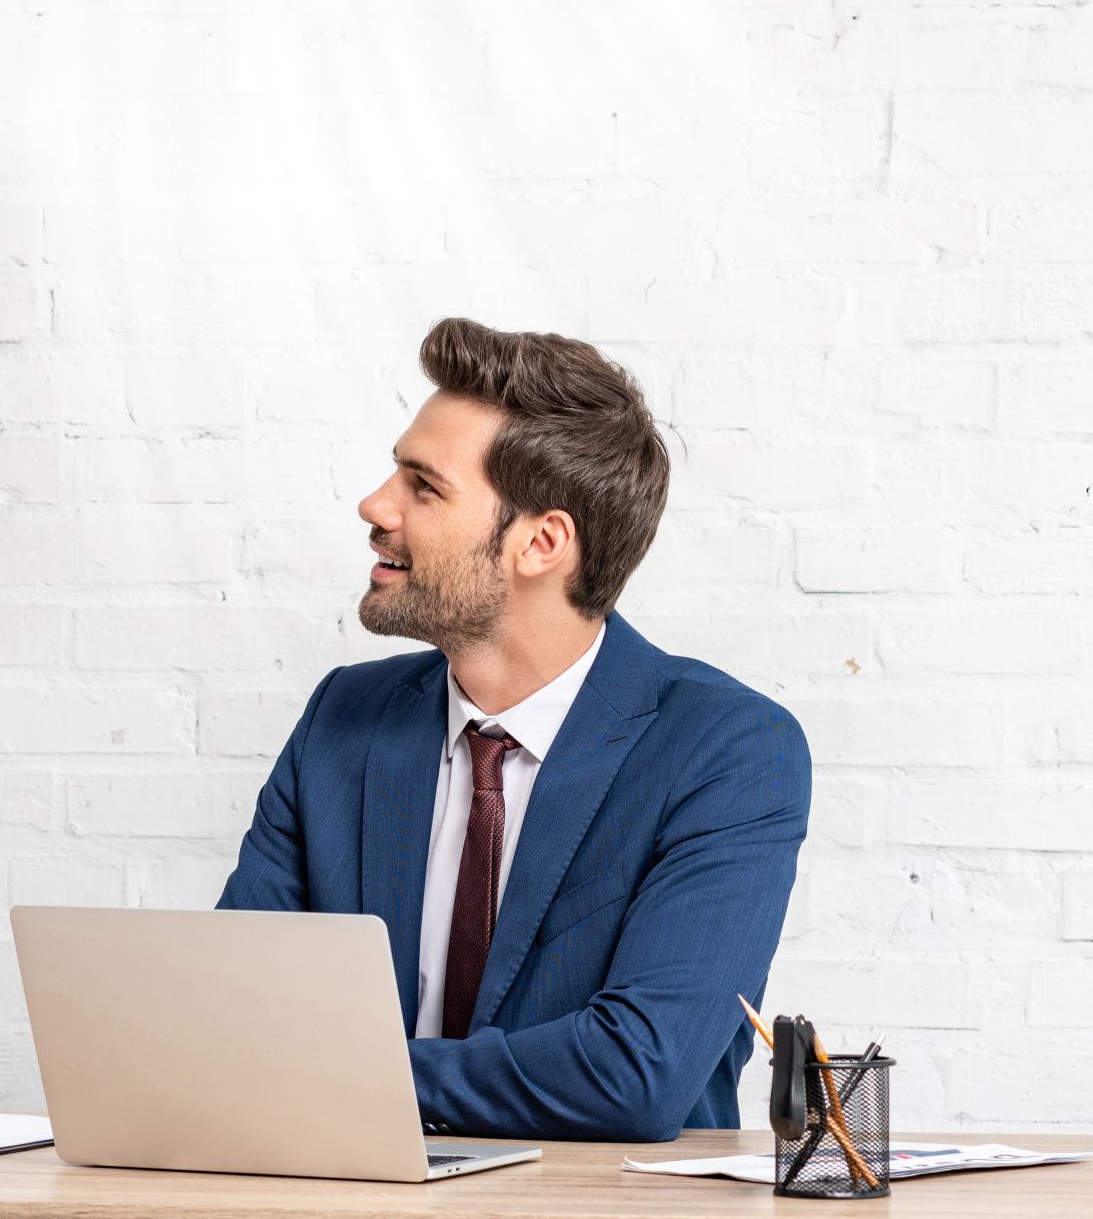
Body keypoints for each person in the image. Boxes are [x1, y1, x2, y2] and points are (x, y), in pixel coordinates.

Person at [217, 317, 810, 1142]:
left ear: (541, 542)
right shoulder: (342, 720)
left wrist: (343, 1073)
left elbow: (638, 1071)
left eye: (423, 485)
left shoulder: (726, 751)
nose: (375, 504)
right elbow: (229, 1021)